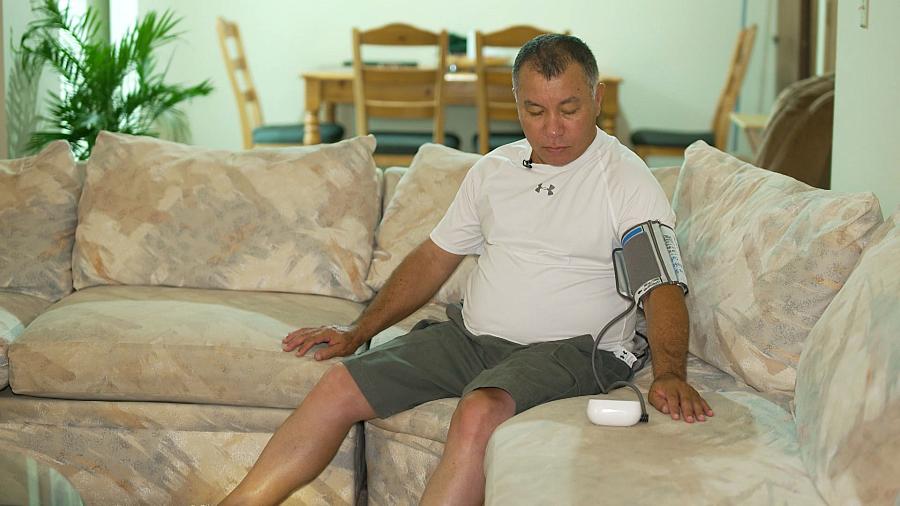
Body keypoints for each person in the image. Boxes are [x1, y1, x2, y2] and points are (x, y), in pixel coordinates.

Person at [220, 34, 713, 506]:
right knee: (338, 387)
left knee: (479, 409)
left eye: (569, 109)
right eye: (535, 111)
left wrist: (670, 373)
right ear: (516, 103)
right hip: (470, 339)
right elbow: (434, 258)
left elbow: (661, 284)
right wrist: (357, 330)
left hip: (574, 351)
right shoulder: (494, 170)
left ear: (597, 97)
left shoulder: (625, 179)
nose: (553, 129)